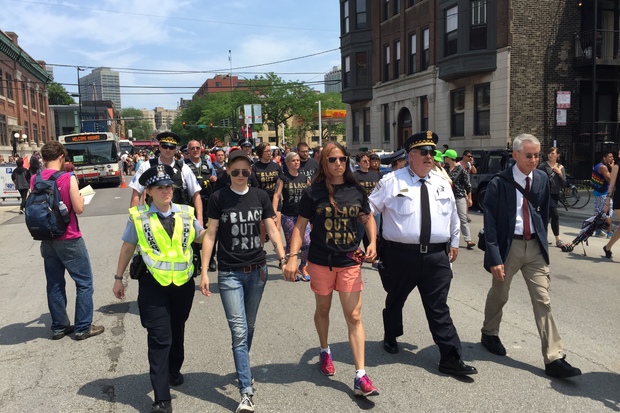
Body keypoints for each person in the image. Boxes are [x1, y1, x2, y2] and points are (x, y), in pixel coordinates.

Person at [368, 131, 477, 377]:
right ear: (411, 156)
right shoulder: (391, 181)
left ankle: (450, 357)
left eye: (433, 153)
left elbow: (452, 216)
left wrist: (455, 242)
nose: (430, 157)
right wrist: (371, 241)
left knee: (439, 307)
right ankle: (391, 335)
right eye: (425, 153)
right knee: (395, 299)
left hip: (436, 257)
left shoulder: (441, 182)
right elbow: (369, 210)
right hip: (400, 255)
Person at [283, 141, 380, 397]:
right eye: (332, 159)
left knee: (354, 316)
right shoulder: (313, 192)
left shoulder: (355, 189)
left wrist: (372, 243)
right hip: (320, 261)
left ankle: (361, 375)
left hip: (349, 261)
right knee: (323, 309)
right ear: (323, 162)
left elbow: (367, 216)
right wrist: (293, 257)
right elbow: (300, 226)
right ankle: (325, 350)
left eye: (342, 159)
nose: (338, 164)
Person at [480, 133, 581, 379]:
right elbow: (490, 222)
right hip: (508, 247)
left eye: (537, 155)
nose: (534, 160)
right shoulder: (499, 183)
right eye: (528, 155)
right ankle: (489, 333)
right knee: (500, 294)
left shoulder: (542, 179)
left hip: (534, 246)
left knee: (543, 300)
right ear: (515, 155)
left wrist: (540, 238)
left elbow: (543, 211)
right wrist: (494, 257)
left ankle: (554, 358)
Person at [113, 164, 205, 413]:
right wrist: (118, 278)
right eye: (160, 188)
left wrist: (216, 228)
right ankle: (162, 397)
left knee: (177, 329)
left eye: (169, 187)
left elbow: (201, 238)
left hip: (183, 285)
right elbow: (127, 247)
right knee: (159, 338)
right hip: (153, 286)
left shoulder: (187, 213)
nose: (166, 191)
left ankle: (174, 369)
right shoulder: (139, 217)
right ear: (149, 192)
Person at [199, 150, 285, 413]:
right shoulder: (218, 198)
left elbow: (271, 228)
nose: (240, 176)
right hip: (229, 274)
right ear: (227, 171)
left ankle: (242, 368)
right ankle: (246, 391)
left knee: (248, 326)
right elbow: (211, 234)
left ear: (251, 172)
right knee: (238, 332)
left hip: (258, 271)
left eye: (244, 171)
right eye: (234, 171)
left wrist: (283, 258)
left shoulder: (260, 197)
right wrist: (204, 271)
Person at [33, 141, 104, 341]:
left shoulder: (35, 178)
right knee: (84, 282)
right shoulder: (67, 177)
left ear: (43, 157)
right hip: (69, 236)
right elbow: (79, 208)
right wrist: (83, 197)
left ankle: (59, 326)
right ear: (62, 157)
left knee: (54, 282)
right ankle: (82, 327)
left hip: (46, 237)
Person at [130, 132, 203, 226]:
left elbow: (196, 194)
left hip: (180, 221)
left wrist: (199, 220)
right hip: (153, 219)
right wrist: (133, 220)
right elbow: (136, 194)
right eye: (165, 146)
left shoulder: (183, 168)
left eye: (171, 147)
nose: (168, 150)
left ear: (176, 149)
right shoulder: (146, 166)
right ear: (159, 147)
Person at [272, 152, 311, 281]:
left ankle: (303, 266)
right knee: (291, 244)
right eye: (293, 160)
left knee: (307, 242)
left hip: (303, 216)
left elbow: (312, 194)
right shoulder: (283, 178)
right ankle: (290, 270)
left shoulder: (304, 178)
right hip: (288, 215)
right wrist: (273, 214)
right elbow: (277, 196)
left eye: (298, 160)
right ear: (288, 163)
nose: (296, 162)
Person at [185, 140, 218, 272]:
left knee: (211, 230)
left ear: (201, 149)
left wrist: (214, 179)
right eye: (192, 148)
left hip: (208, 201)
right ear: (188, 150)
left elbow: (215, 177)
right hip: (190, 203)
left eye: (197, 148)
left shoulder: (208, 164)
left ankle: (210, 258)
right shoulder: (184, 166)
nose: (195, 150)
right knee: (192, 231)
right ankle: (196, 259)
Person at [444, 149, 475, 249]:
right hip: (449, 197)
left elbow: (467, 185)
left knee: (463, 218)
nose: (444, 159)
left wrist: (469, 198)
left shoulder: (461, 169)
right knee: (449, 218)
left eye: (445, 157)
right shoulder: (445, 169)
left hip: (459, 196)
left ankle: (468, 239)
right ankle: (448, 239)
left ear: (449, 158)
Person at [252, 142, 283, 241]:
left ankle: (279, 252)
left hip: (275, 198)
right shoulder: (255, 167)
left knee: (276, 224)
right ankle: (261, 248)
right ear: (261, 153)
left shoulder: (276, 167)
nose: (269, 153)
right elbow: (255, 186)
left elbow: (280, 182)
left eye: (270, 151)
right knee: (262, 226)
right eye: (267, 151)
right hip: (261, 199)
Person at [538, 147, 567, 247]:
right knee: (554, 215)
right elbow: (537, 179)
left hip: (555, 195)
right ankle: (557, 239)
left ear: (558, 155)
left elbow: (564, 183)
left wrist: (559, 173)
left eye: (553, 153)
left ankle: (542, 237)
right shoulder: (543, 166)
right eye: (549, 153)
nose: (550, 155)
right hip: (545, 194)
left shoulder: (561, 167)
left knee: (547, 217)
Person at [591, 150, 614, 237]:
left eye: (612, 157)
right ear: (604, 158)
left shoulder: (597, 166)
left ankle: (598, 230)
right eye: (610, 157)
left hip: (597, 192)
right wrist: (612, 169)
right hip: (603, 194)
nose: (612, 159)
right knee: (607, 213)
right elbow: (610, 179)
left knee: (598, 212)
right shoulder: (603, 167)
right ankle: (610, 232)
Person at [603, 149, 620, 258]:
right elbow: (611, 185)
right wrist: (607, 202)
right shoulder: (616, 167)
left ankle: (608, 247)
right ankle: (607, 247)